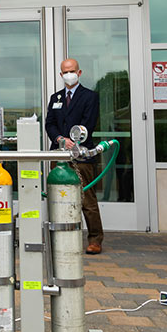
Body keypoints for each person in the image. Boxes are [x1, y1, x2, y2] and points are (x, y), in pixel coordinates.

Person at [45, 57, 104, 255]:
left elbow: (89, 122)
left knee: (87, 199)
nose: (68, 74)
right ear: (61, 75)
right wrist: (61, 139)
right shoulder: (56, 98)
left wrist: (75, 140)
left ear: (79, 73)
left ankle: (95, 239)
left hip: (82, 156)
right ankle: (59, 237)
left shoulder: (90, 97)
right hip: (60, 155)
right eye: (65, 72)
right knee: (58, 197)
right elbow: (50, 124)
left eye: (72, 71)